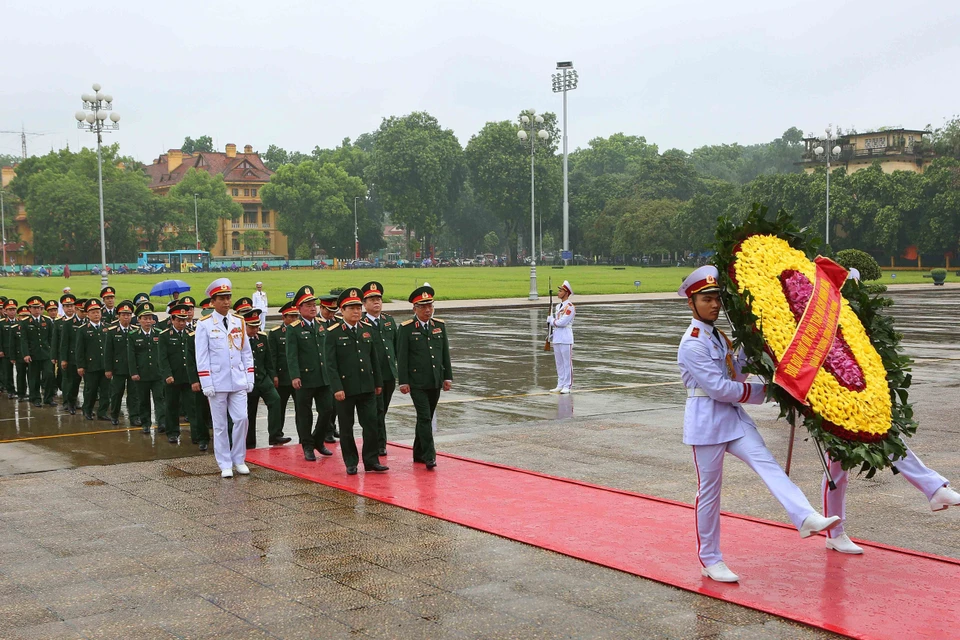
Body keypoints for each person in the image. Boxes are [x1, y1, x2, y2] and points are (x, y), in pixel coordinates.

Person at [676, 265, 840, 583]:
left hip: (733, 420)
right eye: (706, 298)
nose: (714, 304)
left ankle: (805, 516)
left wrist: (758, 354)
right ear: (691, 304)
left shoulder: (718, 336)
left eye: (717, 298)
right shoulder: (692, 342)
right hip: (707, 423)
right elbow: (721, 389)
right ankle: (710, 559)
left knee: (768, 464)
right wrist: (770, 391)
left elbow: (734, 375)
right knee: (709, 493)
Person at [819, 271, 960, 554]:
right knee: (837, 469)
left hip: (862, 400)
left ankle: (933, 488)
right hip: (830, 403)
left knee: (889, 438)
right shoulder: (821, 321)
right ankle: (835, 532)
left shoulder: (858, 323)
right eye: (848, 292)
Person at [194, 278, 254, 478]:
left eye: (228, 298)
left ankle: (239, 458)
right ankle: (225, 463)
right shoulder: (204, 325)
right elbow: (201, 357)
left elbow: (246, 352)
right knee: (220, 425)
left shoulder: (239, 321)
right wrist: (206, 382)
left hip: (237, 379)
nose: (226, 302)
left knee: (241, 419)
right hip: (217, 381)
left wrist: (249, 376)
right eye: (222, 299)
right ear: (213, 301)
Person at [324, 288, 385, 475]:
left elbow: (374, 359)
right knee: (346, 428)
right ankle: (351, 461)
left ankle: (371, 460)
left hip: (366, 386)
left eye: (358, 308)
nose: (356, 312)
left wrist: (378, 383)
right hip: (346, 389)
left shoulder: (367, 330)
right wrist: (336, 388)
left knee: (371, 425)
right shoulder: (333, 333)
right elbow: (330, 364)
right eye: (351, 308)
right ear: (342, 311)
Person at [397, 285, 452, 470]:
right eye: (423, 307)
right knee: (425, 417)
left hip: (435, 380)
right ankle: (430, 455)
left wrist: (447, 377)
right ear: (415, 308)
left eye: (430, 306)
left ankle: (418, 452)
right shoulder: (406, 328)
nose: (428, 310)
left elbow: (445, 354)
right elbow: (402, 357)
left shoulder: (439, 326)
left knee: (424, 418)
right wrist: (403, 381)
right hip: (416, 382)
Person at [286, 285, 333, 461]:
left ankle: (318, 441)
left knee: (327, 410)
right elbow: (291, 355)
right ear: (299, 308)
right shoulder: (294, 328)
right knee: (304, 414)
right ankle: (307, 445)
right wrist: (295, 375)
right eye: (308, 305)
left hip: (323, 376)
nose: (313, 308)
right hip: (305, 378)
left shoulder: (322, 325)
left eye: (314, 304)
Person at [362, 281, 398, 457]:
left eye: (378, 299)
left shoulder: (388, 321)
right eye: (372, 299)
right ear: (364, 303)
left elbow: (396, 348)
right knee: (376, 410)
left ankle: (378, 441)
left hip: (388, 374)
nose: (376, 302)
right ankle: (379, 444)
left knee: (382, 410)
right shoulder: (360, 323)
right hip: (371, 376)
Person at [242, 308, 287, 448]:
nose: (255, 329)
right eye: (252, 327)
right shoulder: (239, 340)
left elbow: (268, 360)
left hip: (263, 378)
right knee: (250, 411)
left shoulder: (262, 337)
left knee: (275, 400)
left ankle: (275, 435)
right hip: (247, 381)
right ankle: (249, 441)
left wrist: (273, 375)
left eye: (257, 326)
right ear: (245, 326)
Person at [128, 302, 166, 435]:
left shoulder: (159, 333)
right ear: (139, 320)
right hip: (141, 374)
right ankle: (145, 423)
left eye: (150, 318)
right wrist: (133, 372)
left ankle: (162, 422)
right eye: (145, 318)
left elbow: (163, 355)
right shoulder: (133, 335)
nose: (148, 321)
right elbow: (131, 356)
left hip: (157, 373)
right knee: (143, 400)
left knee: (160, 399)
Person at [159, 304, 194, 445]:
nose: (181, 323)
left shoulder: (191, 334)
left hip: (188, 377)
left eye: (184, 320)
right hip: (172, 377)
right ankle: (172, 432)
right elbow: (162, 358)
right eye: (178, 320)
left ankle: (197, 434)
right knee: (172, 406)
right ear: (172, 320)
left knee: (192, 407)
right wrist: (167, 374)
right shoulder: (165, 336)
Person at [104, 300, 139, 426]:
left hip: (132, 368)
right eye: (123, 314)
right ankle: (114, 415)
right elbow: (108, 352)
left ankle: (134, 416)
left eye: (129, 314)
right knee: (117, 393)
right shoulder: (112, 331)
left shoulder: (136, 330)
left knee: (133, 394)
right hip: (118, 368)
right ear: (118, 316)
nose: (126, 317)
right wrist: (108, 369)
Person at [74, 298, 110, 421]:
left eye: (98, 312)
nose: (96, 314)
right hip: (91, 365)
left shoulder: (107, 327)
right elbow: (79, 349)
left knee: (106, 391)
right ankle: (87, 410)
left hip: (105, 365)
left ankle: (102, 412)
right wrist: (80, 365)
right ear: (88, 314)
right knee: (91, 390)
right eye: (93, 312)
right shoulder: (83, 329)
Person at [269, 301, 299, 441]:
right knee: (279, 408)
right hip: (282, 376)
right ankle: (276, 434)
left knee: (301, 409)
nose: (294, 319)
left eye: (295, 316)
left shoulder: (301, 330)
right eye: (291, 317)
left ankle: (303, 436)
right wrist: (274, 375)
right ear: (284, 317)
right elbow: (272, 357)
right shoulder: (275, 333)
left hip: (298, 376)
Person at [20, 295, 57, 408]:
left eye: (39, 308)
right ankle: (35, 398)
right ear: (29, 309)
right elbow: (24, 340)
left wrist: (53, 353)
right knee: (34, 378)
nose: (37, 310)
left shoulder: (47, 321)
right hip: (33, 354)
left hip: (46, 354)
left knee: (49, 375)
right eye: (34, 308)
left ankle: (48, 398)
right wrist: (26, 354)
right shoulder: (25, 322)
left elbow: (51, 339)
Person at [548, 280, 576, 394]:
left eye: (561, 291)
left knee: (566, 363)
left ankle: (567, 385)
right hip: (557, 337)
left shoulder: (570, 307)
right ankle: (560, 384)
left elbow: (562, 322)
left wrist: (551, 320)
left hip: (565, 337)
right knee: (559, 363)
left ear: (566, 293)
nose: (558, 293)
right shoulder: (558, 306)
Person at [56, 293, 83, 414]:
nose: (70, 308)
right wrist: (63, 359)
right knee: (71, 382)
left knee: (86, 384)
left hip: (85, 358)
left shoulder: (86, 322)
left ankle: (82, 405)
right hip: (71, 357)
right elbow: (63, 343)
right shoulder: (66, 323)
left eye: (72, 305)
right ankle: (69, 403)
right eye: (67, 306)